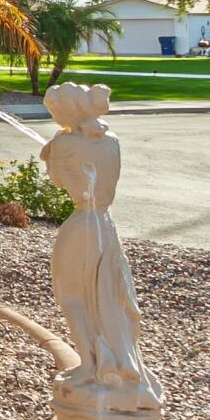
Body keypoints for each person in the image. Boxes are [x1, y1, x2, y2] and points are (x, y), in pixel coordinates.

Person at [38, 81, 149, 391]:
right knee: (107, 294)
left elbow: (61, 181)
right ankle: (116, 357)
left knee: (73, 297)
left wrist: (51, 154)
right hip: (105, 225)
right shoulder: (111, 141)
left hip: (81, 225)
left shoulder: (64, 146)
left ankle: (90, 363)